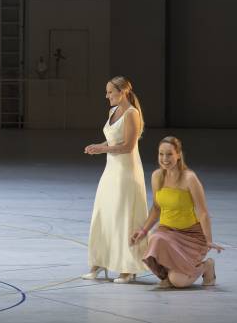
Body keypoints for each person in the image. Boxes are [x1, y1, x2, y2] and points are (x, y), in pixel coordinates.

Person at [130, 136, 224, 288]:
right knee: (155, 237)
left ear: (178, 155)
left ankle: (207, 266)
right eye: (161, 154)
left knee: (178, 282)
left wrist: (208, 240)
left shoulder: (190, 178)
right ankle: (169, 273)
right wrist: (143, 231)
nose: (164, 158)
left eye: (169, 154)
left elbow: (203, 212)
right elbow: (156, 208)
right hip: (166, 233)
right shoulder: (157, 176)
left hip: (190, 237)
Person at [82, 76, 148, 283]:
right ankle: (99, 262)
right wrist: (98, 146)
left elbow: (128, 146)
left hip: (126, 173)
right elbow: (113, 140)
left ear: (123, 92)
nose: (107, 96)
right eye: (107, 92)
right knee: (103, 214)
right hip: (111, 171)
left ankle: (127, 268)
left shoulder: (132, 114)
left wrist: (102, 149)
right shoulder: (113, 111)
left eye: (110, 92)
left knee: (124, 218)